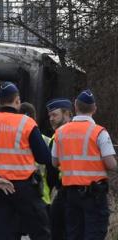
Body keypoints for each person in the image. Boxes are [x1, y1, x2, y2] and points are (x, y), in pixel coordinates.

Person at [0, 82, 52, 240]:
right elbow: (44, 157)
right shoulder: (27, 123)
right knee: (42, 233)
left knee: (3, 234)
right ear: (18, 101)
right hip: (25, 188)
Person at [52, 90, 117, 240]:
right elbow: (111, 164)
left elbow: (55, 162)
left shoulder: (60, 132)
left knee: (74, 234)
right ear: (94, 109)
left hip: (70, 195)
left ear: (75, 106)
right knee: (94, 234)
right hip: (94, 195)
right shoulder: (99, 132)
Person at [46, 98, 72, 240]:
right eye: (50, 116)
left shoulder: (61, 136)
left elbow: (53, 169)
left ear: (67, 114)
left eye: (55, 115)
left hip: (63, 189)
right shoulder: (59, 135)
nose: (51, 119)